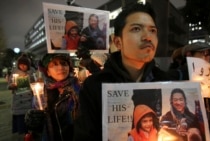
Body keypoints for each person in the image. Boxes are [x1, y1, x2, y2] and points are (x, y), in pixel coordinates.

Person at [73, 2, 178, 140]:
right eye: (136, 29)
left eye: (153, 30)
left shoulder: (168, 84)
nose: (148, 36)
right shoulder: (94, 87)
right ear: (118, 42)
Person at [24, 53, 80, 141]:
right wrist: (33, 120)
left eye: (64, 63)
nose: (61, 67)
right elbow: (38, 128)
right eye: (54, 65)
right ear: (48, 72)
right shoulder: (41, 92)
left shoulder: (79, 89)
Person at [7, 54, 36, 141]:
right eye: (21, 64)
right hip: (18, 101)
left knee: (31, 120)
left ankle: (30, 135)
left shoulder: (32, 72)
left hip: (30, 99)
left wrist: (34, 85)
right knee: (21, 120)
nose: (22, 66)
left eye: (25, 65)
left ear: (28, 65)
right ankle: (25, 135)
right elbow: (9, 85)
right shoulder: (14, 73)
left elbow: (37, 83)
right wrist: (12, 86)